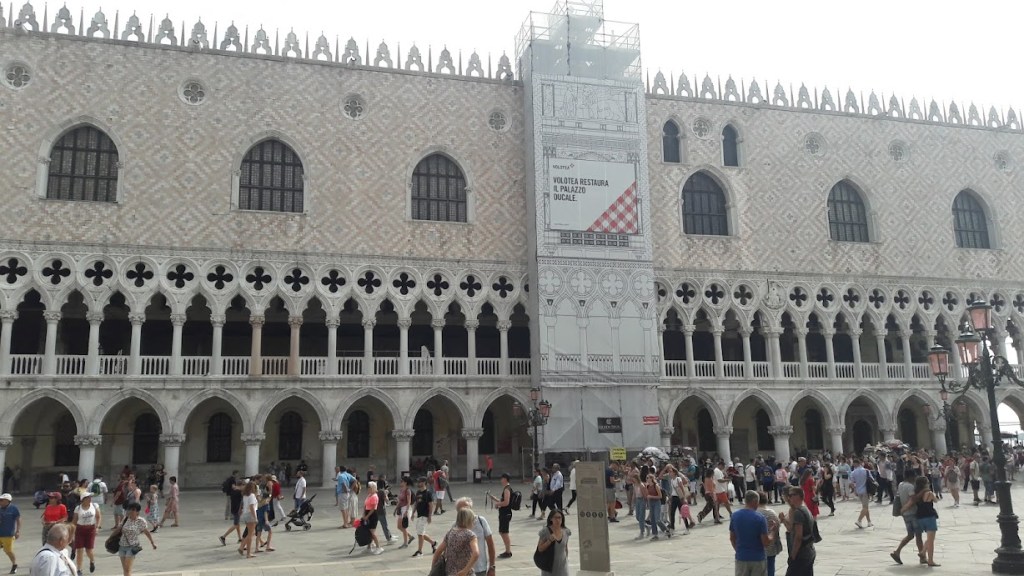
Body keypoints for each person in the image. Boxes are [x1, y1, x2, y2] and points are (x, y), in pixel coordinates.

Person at [729, 490, 772, 576]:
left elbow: (732, 538)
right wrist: (773, 532)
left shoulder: (735, 516)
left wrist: (738, 550)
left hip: (741, 557)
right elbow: (765, 542)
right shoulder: (760, 518)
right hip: (757, 557)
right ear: (755, 501)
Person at [778, 487, 816, 576]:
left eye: (791, 495)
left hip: (801, 554)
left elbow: (798, 536)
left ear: (798, 496)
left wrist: (793, 556)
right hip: (809, 551)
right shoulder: (804, 508)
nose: (789, 498)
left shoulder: (798, 512)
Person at [904, 476, 940, 567]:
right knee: (931, 541)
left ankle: (923, 551)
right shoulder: (929, 493)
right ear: (925, 484)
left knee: (930, 538)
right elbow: (936, 500)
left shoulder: (916, 494)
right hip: (930, 517)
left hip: (920, 518)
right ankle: (930, 560)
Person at [432, 507, 479, 576]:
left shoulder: (450, 532)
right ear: (469, 520)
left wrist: (433, 569)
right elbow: (476, 553)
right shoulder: (470, 535)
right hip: (465, 573)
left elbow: (438, 552)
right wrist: (465, 570)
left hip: (450, 573)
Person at [890, 471, 924, 566]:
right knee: (918, 536)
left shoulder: (901, 484)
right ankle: (922, 557)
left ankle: (897, 551)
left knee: (910, 535)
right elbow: (913, 499)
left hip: (905, 514)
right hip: (912, 512)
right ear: (910, 477)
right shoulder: (910, 487)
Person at [454, 498, 495, 576]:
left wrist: (492, 567)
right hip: (461, 570)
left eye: (467, 508)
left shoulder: (481, 521)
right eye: (461, 510)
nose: (465, 512)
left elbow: (490, 544)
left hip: (480, 568)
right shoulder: (455, 526)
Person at [117, 502, 155, 576]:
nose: (130, 511)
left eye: (133, 510)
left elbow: (147, 532)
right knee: (125, 569)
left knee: (127, 568)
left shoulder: (141, 521)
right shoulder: (125, 519)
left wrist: (152, 543)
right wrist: (110, 538)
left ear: (137, 512)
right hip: (122, 546)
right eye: (130, 509)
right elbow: (119, 529)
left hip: (132, 547)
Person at [71, 492, 101, 575]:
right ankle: (79, 569)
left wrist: (97, 527)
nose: (89, 499)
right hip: (80, 529)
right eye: (87, 498)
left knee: (89, 549)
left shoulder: (94, 506)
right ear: (83, 499)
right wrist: (71, 531)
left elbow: (98, 516)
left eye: (90, 497)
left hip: (90, 529)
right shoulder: (78, 508)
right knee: (79, 550)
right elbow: (74, 521)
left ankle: (92, 561)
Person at [535, 509, 571, 576]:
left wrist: (566, 559)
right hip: (549, 567)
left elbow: (565, 548)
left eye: (559, 517)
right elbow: (540, 549)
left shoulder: (566, 532)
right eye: (555, 518)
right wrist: (549, 541)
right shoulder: (545, 531)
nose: (558, 520)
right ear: (551, 519)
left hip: (563, 567)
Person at [487, 474, 513, 558]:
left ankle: (508, 551)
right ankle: (507, 550)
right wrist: (494, 499)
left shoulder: (507, 489)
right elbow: (504, 501)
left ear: (505, 479)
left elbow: (506, 502)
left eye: (502, 478)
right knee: (502, 532)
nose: (500, 480)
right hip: (504, 513)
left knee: (504, 532)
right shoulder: (506, 489)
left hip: (505, 513)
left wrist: (497, 504)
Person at [757, 492, 783, 576]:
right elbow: (777, 526)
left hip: (757, 547)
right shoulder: (771, 513)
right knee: (770, 569)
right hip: (770, 547)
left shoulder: (754, 513)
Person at [412, 476, 437, 558]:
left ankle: (420, 551)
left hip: (425, 515)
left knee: (420, 534)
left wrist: (429, 516)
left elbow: (431, 505)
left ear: (424, 483)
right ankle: (433, 543)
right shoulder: (418, 492)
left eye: (420, 482)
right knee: (420, 533)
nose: (418, 483)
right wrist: (413, 513)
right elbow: (416, 503)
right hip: (419, 515)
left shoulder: (428, 493)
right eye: (418, 481)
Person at [849, 458, 873, 529]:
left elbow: (851, 483)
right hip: (865, 490)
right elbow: (872, 479)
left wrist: (854, 490)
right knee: (865, 507)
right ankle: (859, 520)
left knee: (865, 506)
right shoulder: (866, 471)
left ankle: (869, 522)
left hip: (858, 490)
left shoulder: (853, 472)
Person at [0, 493, 21, 575]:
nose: (0, 501)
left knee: (8, 551)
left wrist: (18, 531)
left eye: (1, 500)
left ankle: (14, 565)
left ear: (7, 501)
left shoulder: (13, 509)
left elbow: (18, 519)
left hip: (8, 534)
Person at [217, 478, 241, 547]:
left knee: (237, 524)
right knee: (236, 524)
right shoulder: (239, 492)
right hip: (237, 510)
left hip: (233, 509)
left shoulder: (233, 491)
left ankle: (240, 538)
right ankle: (223, 537)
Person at [361, 481, 383, 554]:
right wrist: (364, 514)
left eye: (369, 487)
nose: (368, 488)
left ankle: (378, 547)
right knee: (368, 532)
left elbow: (373, 508)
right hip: (367, 513)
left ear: (373, 488)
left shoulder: (374, 496)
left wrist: (367, 516)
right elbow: (365, 506)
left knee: (372, 533)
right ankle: (369, 547)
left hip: (372, 515)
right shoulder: (369, 495)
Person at [237, 481, 258, 558]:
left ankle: (242, 547)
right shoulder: (251, 495)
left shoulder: (245, 495)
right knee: (250, 535)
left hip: (245, 514)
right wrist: (255, 517)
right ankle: (248, 553)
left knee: (251, 533)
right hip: (250, 514)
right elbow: (252, 507)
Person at [395, 477, 414, 549]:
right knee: (399, 526)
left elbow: (409, 501)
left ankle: (405, 543)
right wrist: (396, 508)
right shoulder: (401, 490)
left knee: (403, 526)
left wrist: (406, 511)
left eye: (402, 481)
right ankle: (410, 536)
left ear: (405, 482)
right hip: (400, 509)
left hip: (405, 508)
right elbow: (399, 501)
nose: (401, 482)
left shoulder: (407, 490)